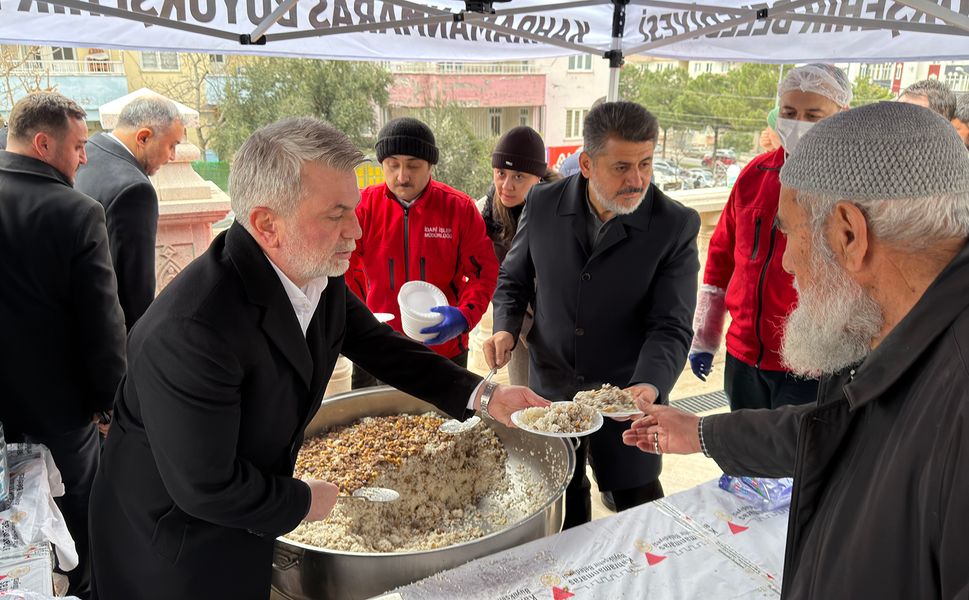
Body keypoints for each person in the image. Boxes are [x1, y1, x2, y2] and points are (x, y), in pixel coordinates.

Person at [89, 117, 546, 599]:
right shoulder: (192, 330)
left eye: (354, 209)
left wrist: (484, 395)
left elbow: (382, 346)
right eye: (336, 215)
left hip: (240, 522)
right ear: (267, 224)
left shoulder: (314, 274)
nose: (356, 230)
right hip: (170, 548)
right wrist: (304, 499)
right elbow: (206, 487)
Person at [624, 102, 969, 599]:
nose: (785, 262)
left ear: (849, 234)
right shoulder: (893, 330)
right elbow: (840, 431)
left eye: (786, 231)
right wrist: (701, 432)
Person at [484, 101, 700, 527]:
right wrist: (505, 328)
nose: (636, 180)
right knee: (564, 505)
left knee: (639, 511)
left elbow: (671, 325)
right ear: (586, 164)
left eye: (645, 164)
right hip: (551, 389)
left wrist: (648, 384)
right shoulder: (543, 203)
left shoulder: (673, 225)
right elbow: (514, 277)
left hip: (627, 397)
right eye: (621, 167)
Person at [0, 92, 127, 600]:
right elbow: (102, 323)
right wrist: (110, 404)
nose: (85, 158)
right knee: (75, 533)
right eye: (78, 146)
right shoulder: (78, 212)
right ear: (43, 143)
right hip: (59, 417)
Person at [689, 64, 852, 411]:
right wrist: (706, 335)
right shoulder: (756, 174)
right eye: (789, 113)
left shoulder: (851, 186)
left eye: (813, 115)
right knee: (741, 440)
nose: (798, 123)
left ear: (842, 115)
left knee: (797, 444)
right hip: (744, 353)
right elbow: (721, 255)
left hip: (813, 360)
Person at [347, 116, 499, 388]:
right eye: (393, 165)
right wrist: (360, 317)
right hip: (377, 346)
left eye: (413, 165)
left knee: (443, 413)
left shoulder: (459, 209)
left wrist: (465, 316)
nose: (402, 176)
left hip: (443, 347)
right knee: (373, 414)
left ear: (430, 165)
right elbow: (344, 268)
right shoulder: (363, 208)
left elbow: (483, 272)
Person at [75, 95, 185, 331]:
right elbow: (134, 291)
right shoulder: (134, 190)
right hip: (107, 333)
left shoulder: (88, 150)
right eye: (172, 145)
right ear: (143, 137)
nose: (172, 157)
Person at [476, 125, 558, 386]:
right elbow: (500, 277)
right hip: (515, 318)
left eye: (519, 176)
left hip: (558, 322)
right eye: (501, 173)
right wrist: (505, 327)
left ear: (538, 177)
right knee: (523, 393)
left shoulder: (560, 210)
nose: (507, 185)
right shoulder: (487, 212)